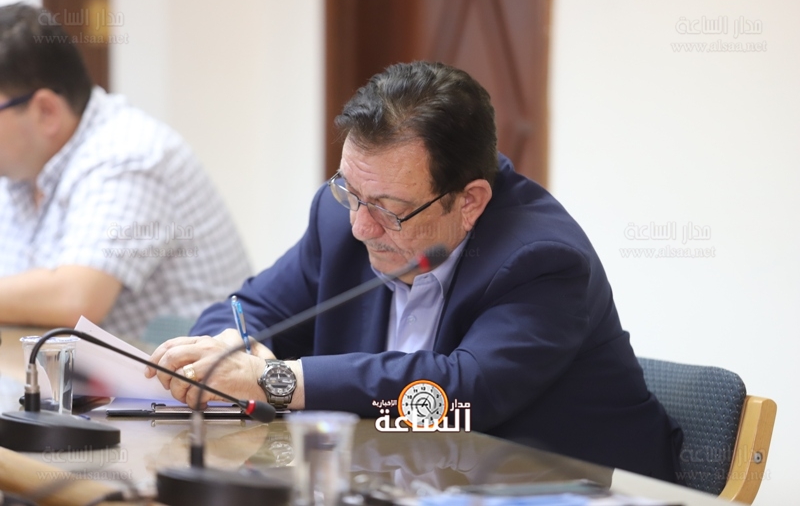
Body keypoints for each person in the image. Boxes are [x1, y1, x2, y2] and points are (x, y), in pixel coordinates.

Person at [147, 61, 682, 481]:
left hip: (568, 489)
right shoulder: (342, 217)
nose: (362, 226)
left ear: (469, 201)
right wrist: (230, 349)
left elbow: (457, 395)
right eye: (351, 192)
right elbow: (249, 307)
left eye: (389, 208)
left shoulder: (541, 259)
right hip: (401, 480)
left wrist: (276, 380)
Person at [0, 3, 252, 338]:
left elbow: (75, 298)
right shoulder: (22, 171)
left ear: (46, 111)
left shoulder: (129, 153)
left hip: (190, 371)